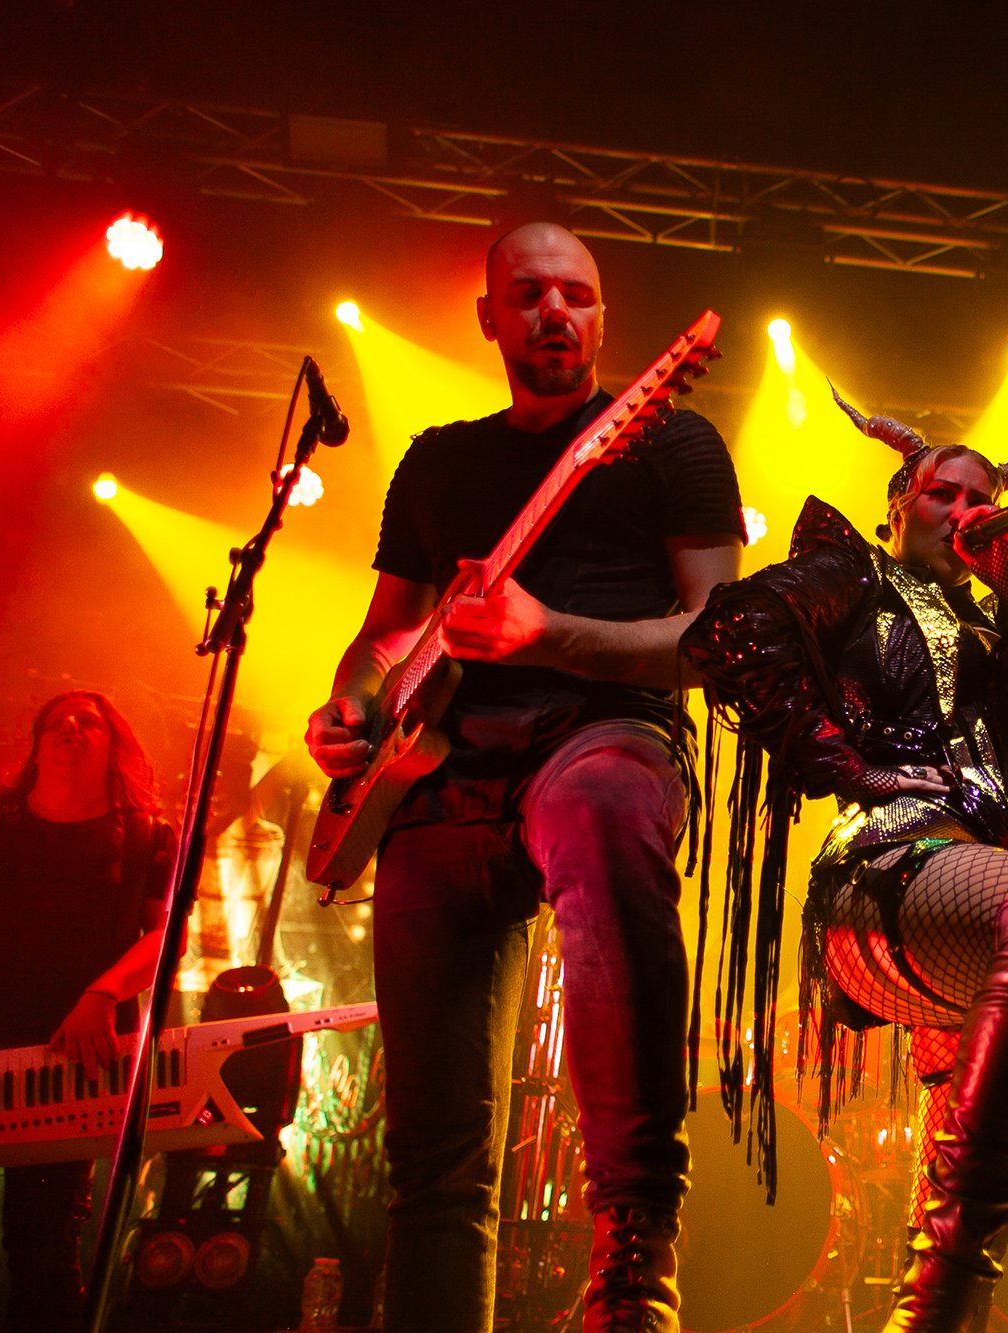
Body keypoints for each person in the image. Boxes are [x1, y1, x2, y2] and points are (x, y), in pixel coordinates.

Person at [303, 222, 743, 1333]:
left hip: (602, 732)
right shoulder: (439, 459)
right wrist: (349, 709)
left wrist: (548, 633)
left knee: (601, 810)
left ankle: (634, 1264)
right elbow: (381, 637)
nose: (556, 312)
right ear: (490, 316)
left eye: (579, 296)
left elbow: (712, 642)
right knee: (433, 1154)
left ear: (604, 320)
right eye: (532, 293)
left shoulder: (672, 443)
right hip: (438, 773)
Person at [678, 390, 1008, 1332]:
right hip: (882, 874)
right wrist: (852, 765)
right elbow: (729, 634)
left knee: (977, 1174)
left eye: (979, 500)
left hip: (973, 898)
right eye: (942, 494)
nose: (962, 511)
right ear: (897, 506)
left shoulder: (1000, 629)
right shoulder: (855, 577)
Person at [0, 690, 178, 1333]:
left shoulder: (146, 837)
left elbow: (167, 938)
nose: (70, 729)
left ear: (116, 746)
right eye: (54, 722)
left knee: (46, 1249)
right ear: (35, 747)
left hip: (71, 1059)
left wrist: (101, 995)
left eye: (87, 721)